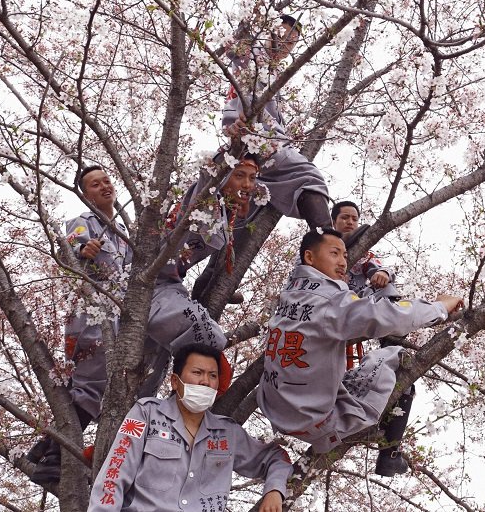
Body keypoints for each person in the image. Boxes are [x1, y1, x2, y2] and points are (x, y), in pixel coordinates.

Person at [256, 229, 463, 476]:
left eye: (344, 254)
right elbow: (385, 315)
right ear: (310, 258)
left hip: (276, 411)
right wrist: (438, 307)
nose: (343, 261)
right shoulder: (329, 301)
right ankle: (390, 453)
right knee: (393, 356)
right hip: (315, 421)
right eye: (334, 254)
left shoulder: (289, 294)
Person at [89, 343, 292, 512]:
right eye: (197, 373)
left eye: (213, 375)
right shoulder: (146, 414)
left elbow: (276, 458)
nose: (205, 381)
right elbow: (113, 477)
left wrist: (274, 490)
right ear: (175, 382)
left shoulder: (227, 433)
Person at [29, 165, 133, 484]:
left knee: (96, 388)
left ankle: (44, 451)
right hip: (93, 318)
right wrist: (83, 252)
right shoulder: (81, 222)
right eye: (94, 184)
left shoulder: (125, 234)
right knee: (90, 385)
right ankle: (52, 459)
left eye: (106, 181)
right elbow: (73, 251)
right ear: (85, 194)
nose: (103, 187)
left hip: (117, 317)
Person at [137, 155, 261, 399]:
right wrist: (240, 133)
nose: (248, 185)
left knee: (150, 373)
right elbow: (212, 170)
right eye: (239, 175)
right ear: (223, 175)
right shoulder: (203, 197)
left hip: (170, 286)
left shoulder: (227, 214)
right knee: (207, 335)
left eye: (253, 178)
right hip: (147, 284)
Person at [222, 14, 332, 231]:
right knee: (309, 178)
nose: (286, 46)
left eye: (292, 43)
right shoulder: (255, 55)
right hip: (261, 141)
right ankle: (327, 239)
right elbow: (236, 47)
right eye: (281, 36)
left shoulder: (274, 72)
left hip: (256, 147)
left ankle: (222, 262)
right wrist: (261, 17)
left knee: (241, 219)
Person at [331, 201, 398, 299]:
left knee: (387, 286)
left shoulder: (363, 255)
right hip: (328, 298)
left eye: (354, 219)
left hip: (357, 302)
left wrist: (383, 273)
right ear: (333, 222)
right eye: (345, 217)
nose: (350, 222)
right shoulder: (318, 246)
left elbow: (377, 268)